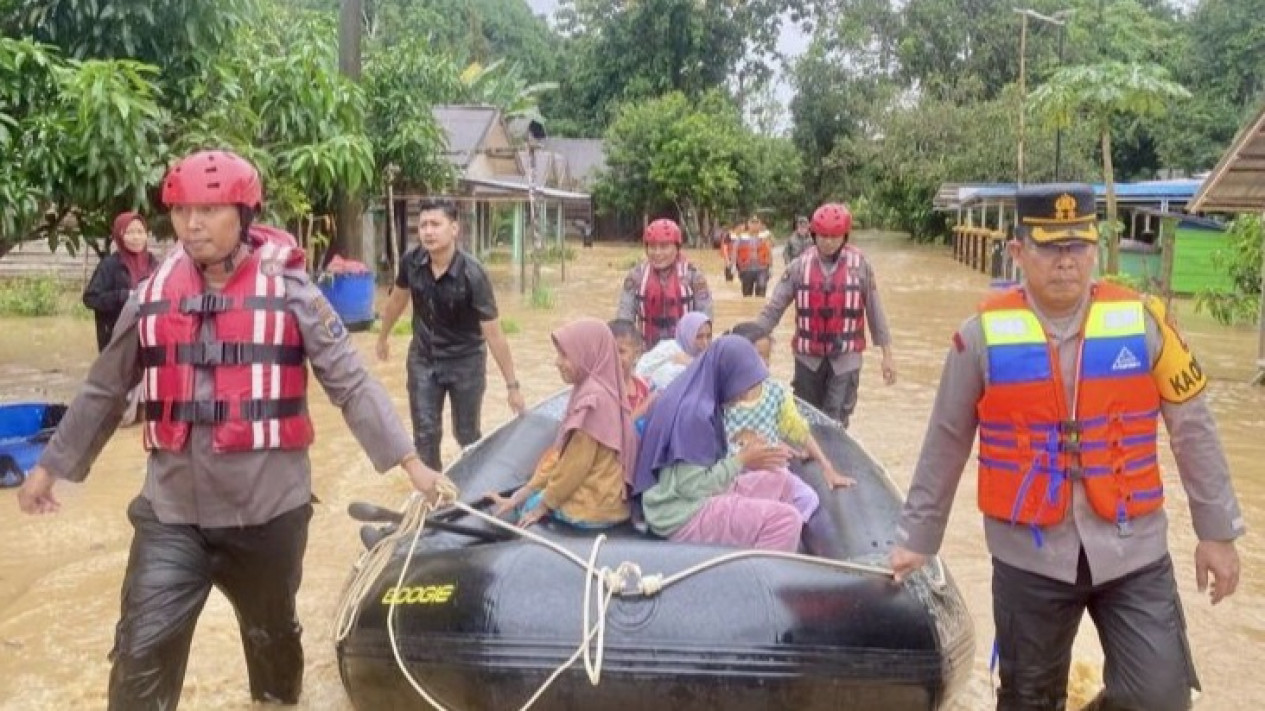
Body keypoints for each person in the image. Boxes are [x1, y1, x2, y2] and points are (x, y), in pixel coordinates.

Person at [16, 149, 447, 709]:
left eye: (209, 210)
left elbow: (351, 381)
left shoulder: (292, 291)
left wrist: (411, 464)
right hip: (172, 516)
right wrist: (49, 468)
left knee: (272, 652)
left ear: (243, 214)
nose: (191, 224)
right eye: (181, 210)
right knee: (138, 658)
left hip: (267, 514)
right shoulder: (150, 296)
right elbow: (104, 390)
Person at [888, 183, 1245, 711]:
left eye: (1077, 245)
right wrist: (918, 537)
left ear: (1095, 247)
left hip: (1134, 548)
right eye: (1049, 247)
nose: (1065, 261)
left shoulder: (1146, 323)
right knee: (1029, 700)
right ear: (1017, 252)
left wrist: (1217, 533)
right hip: (1028, 555)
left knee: (1160, 697)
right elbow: (946, 439)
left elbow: (1193, 427)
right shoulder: (979, 337)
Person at [377, 198, 526, 470]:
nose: (428, 232)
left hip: (465, 362)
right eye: (423, 225)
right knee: (425, 436)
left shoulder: (473, 274)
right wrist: (382, 337)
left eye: (436, 224)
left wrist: (512, 387)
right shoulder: (412, 261)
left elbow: (494, 334)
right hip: (424, 359)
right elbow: (397, 300)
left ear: (454, 228)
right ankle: (434, 497)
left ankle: (474, 490)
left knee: (467, 435)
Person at [634, 336, 804, 552]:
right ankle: (756, 580)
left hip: (682, 495)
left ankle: (764, 548)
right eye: (742, 384)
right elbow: (691, 487)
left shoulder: (694, 393)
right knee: (786, 520)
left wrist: (748, 457)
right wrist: (741, 460)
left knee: (782, 479)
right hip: (681, 514)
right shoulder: (694, 415)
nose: (745, 394)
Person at [756, 202, 896, 429]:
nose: (828, 242)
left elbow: (875, 312)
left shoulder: (860, 267)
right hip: (808, 359)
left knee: (835, 420)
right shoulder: (799, 267)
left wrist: (887, 355)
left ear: (845, 236)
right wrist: (749, 337)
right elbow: (774, 309)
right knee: (806, 419)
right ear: (813, 235)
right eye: (822, 236)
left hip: (845, 358)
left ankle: (832, 459)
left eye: (834, 236)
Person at [488, 318, 635, 528]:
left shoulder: (592, 404)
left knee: (527, 508)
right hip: (606, 500)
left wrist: (542, 506)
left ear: (587, 354)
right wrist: (524, 491)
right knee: (526, 499)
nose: (557, 362)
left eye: (565, 355)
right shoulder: (602, 389)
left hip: (592, 509)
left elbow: (573, 468)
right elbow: (564, 459)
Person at [724, 321, 855, 492]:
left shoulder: (775, 392)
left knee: (809, 498)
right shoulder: (723, 397)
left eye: (767, 356)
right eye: (757, 356)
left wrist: (826, 466)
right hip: (738, 472)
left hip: (772, 469)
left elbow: (798, 429)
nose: (764, 363)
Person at [615, 218, 713, 346]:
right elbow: (624, 320)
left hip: (684, 352)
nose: (657, 253)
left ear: (677, 248)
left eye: (664, 246)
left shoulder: (693, 276)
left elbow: (705, 319)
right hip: (647, 351)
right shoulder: (635, 277)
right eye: (652, 247)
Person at [83, 211, 159, 352]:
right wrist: (124, 296)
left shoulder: (153, 264)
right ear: (119, 235)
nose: (136, 237)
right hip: (116, 338)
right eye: (129, 232)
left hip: (147, 337)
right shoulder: (110, 265)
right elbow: (91, 298)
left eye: (140, 232)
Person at [635, 311, 712, 391]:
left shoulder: (706, 356)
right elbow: (641, 373)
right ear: (688, 335)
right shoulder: (669, 350)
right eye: (699, 337)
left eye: (709, 336)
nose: (705, 342)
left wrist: (692, 364)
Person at [607, 319, 652, 421]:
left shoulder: (643, 387)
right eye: (609, 351)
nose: (615, 357)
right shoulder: (604, 392)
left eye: (621, 351)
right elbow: (613, 433)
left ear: (636, 353)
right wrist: (643, 407)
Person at [732, 215, 774, 297]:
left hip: (762, 269)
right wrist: (733, 265)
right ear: (748, 224)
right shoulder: (741, 237)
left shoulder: (765, 237)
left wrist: (771, 267)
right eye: (752, 223)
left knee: (761, 288)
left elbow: (769, 252)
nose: (754, 225)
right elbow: (734, 251)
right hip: (746, 269)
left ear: (760, 224)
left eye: (757, 223)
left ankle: (760, 308)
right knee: (747, 295)